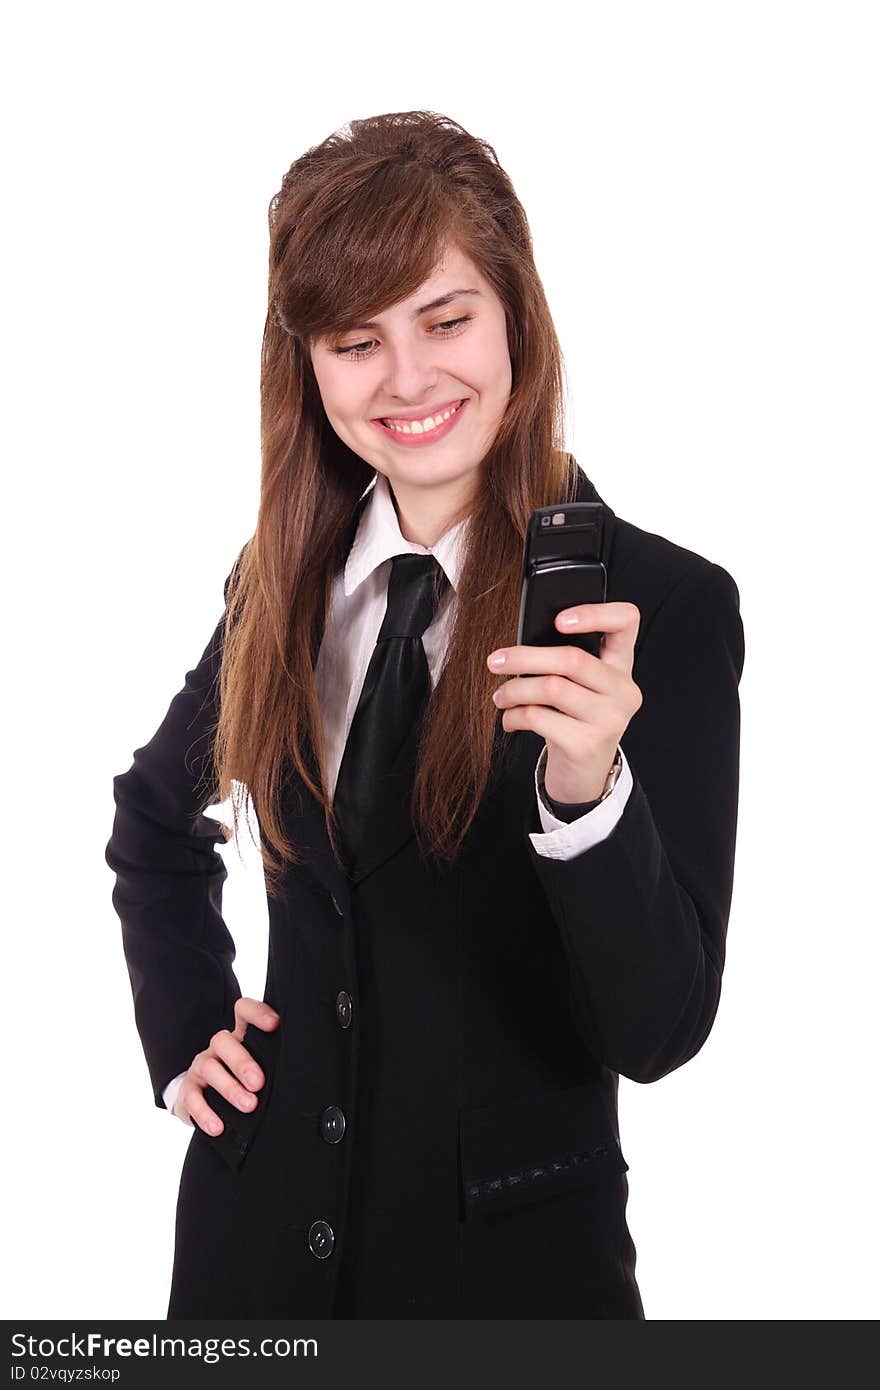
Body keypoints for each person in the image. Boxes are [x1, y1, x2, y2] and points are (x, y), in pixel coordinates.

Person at [105, 109, 745, 1319]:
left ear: (514, 316)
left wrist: (587, 793)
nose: (408, 379)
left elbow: (659, 1027)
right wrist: (188, 1020)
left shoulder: (663, 604)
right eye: (356, 340)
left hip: (503, 1282)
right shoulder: (278, 585)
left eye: (444, 320)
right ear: (307, 364)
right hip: (249, 1271)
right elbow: (152, 817)